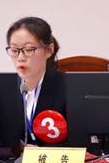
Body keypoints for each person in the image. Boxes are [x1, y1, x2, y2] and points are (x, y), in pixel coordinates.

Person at [5, 16, 66, 146]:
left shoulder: (68, 89)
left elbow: (78, 144)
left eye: (28, 50)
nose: (20, 58)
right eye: (14, 50)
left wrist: (37, 152)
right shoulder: (5, 89)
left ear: (49, 50)